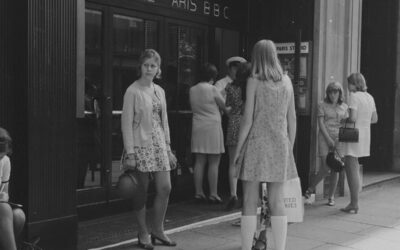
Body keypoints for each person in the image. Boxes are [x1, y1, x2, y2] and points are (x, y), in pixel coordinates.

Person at [234, 40, 298, 250]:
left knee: (249, 201)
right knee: (277, 201)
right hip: (280, 142)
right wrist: (290, 146)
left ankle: (246, 247)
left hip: (256, 143)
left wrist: (237, 150)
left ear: (256, 56)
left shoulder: (254, 80)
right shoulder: (287, 81)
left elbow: (247, 120)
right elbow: (292, 119)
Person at [121, 49, 177, 250]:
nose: (149, 68)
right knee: (141, 192)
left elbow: (165, 121)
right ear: (140, 67)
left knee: (165, 187)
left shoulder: (159, 91)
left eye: (153, 65)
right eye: (146, 65)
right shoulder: (132, 91)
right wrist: (131, 153)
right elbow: (126, 123)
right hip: (140, 145)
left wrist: (169, 148)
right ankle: (143, 232)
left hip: (160, 144)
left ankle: (158, 230)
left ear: (158, 69)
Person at [190, 63, 231, 204]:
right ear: (213, 77)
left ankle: (198, 192)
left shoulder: (192, 90)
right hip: (212, 126)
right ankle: (213, 193)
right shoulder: (213, 89)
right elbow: (225, 108)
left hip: (198, 126)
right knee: (214, 161)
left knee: (199, 161)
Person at [304, 82, 348, 206]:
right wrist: (328, 138)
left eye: (335, 92)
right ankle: (311, 188)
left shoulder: (344, 107)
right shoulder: (322, 105)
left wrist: (340, 138)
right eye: (330, 92)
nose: (333, 94)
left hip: (339, 138)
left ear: (340, 93)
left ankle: (331, 196)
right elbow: (321, 123)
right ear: (327, 93)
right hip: (324, 137)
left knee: (336, 167)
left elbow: (346, 124)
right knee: (326, 166)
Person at [341, 73, 378, 214]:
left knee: (351, 169)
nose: (348, 86)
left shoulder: (354, 96)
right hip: (364, 135)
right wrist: (363, 122)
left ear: (355, 84)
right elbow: (374, 119)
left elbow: (352, 118)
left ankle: (354, 203)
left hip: (352, 134)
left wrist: (343, 120)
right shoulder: (370, 97)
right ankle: (353, 202)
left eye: (349, 83)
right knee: (354, 167)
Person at [225, 62, 251, 211]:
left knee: (232, 161)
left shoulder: (230, 87)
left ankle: (233, 194)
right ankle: (246, 195)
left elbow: (228, 106)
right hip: (247, 123)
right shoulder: (250, 87)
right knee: (247, 161)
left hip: (234, 122)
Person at [0, 127, 26, 250]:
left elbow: (5, 190)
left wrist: (4, 196)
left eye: (1, 157)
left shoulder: (5, 161)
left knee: (19, 216)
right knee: (4, 208)